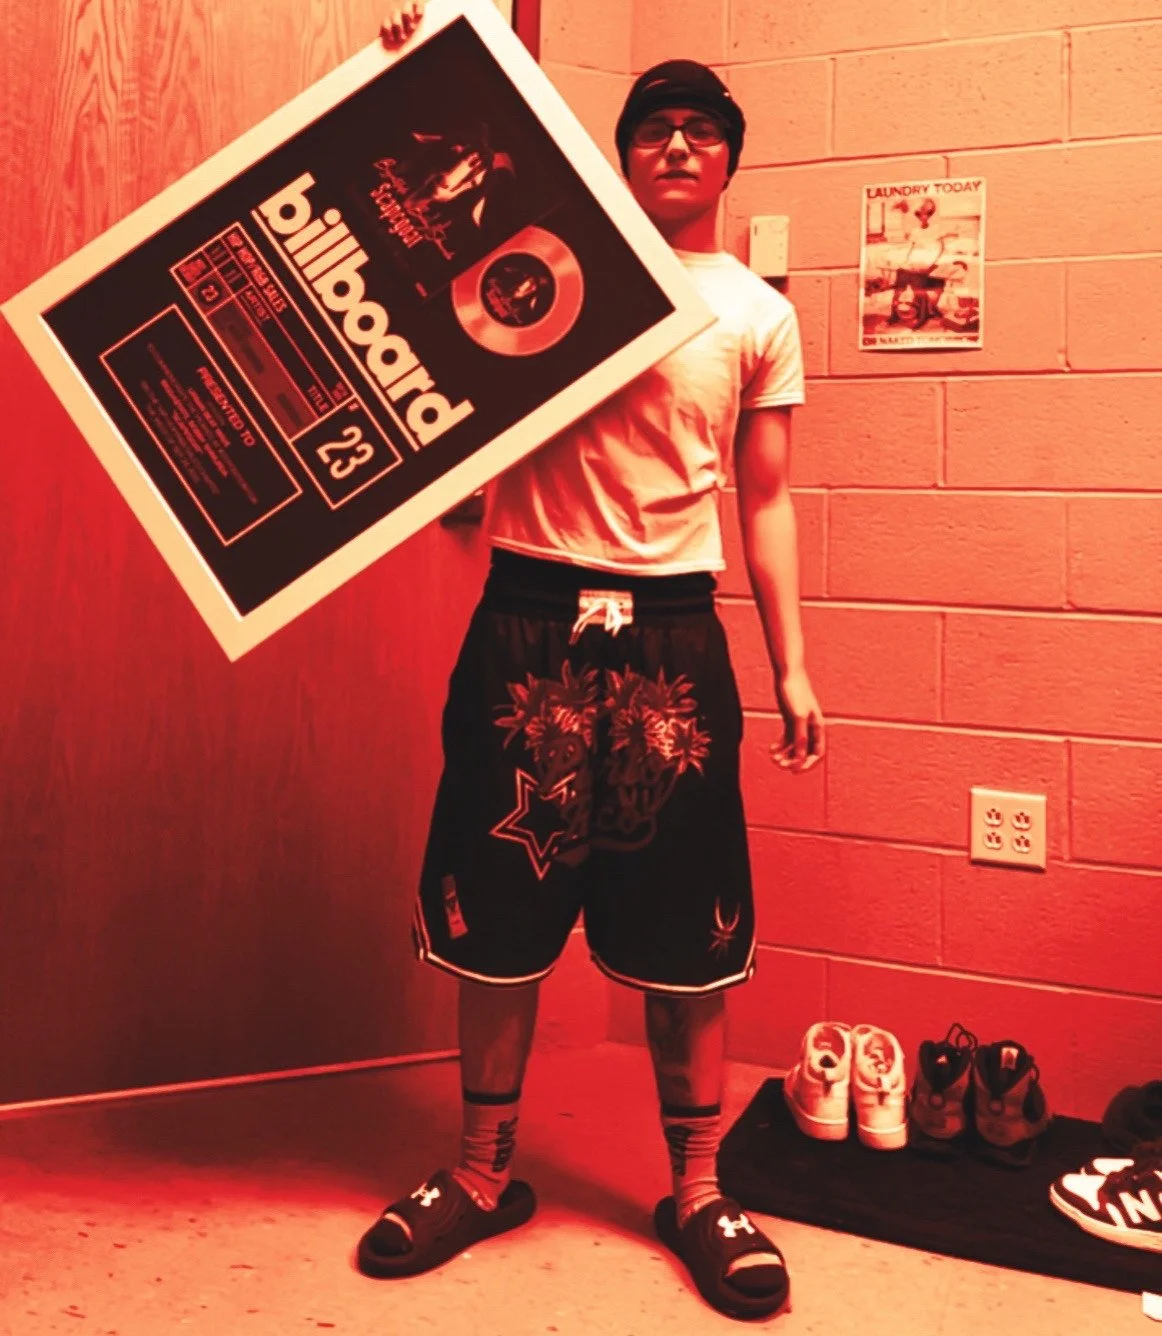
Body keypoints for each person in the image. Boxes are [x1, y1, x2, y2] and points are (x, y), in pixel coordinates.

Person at [359, 6, 825, 1322]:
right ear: (621, 157)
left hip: (675, 632)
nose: (676, 144)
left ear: (727, 160)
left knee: (688, 924)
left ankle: (694, 1186)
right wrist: (412, 81)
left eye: (700, 130)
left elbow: (767, 495)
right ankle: (480, 1167)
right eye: (652, 128)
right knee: (496, 912)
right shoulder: (551, 268)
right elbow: (426, 221)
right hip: (526, 617)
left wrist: (792, 660)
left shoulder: (752, 311)